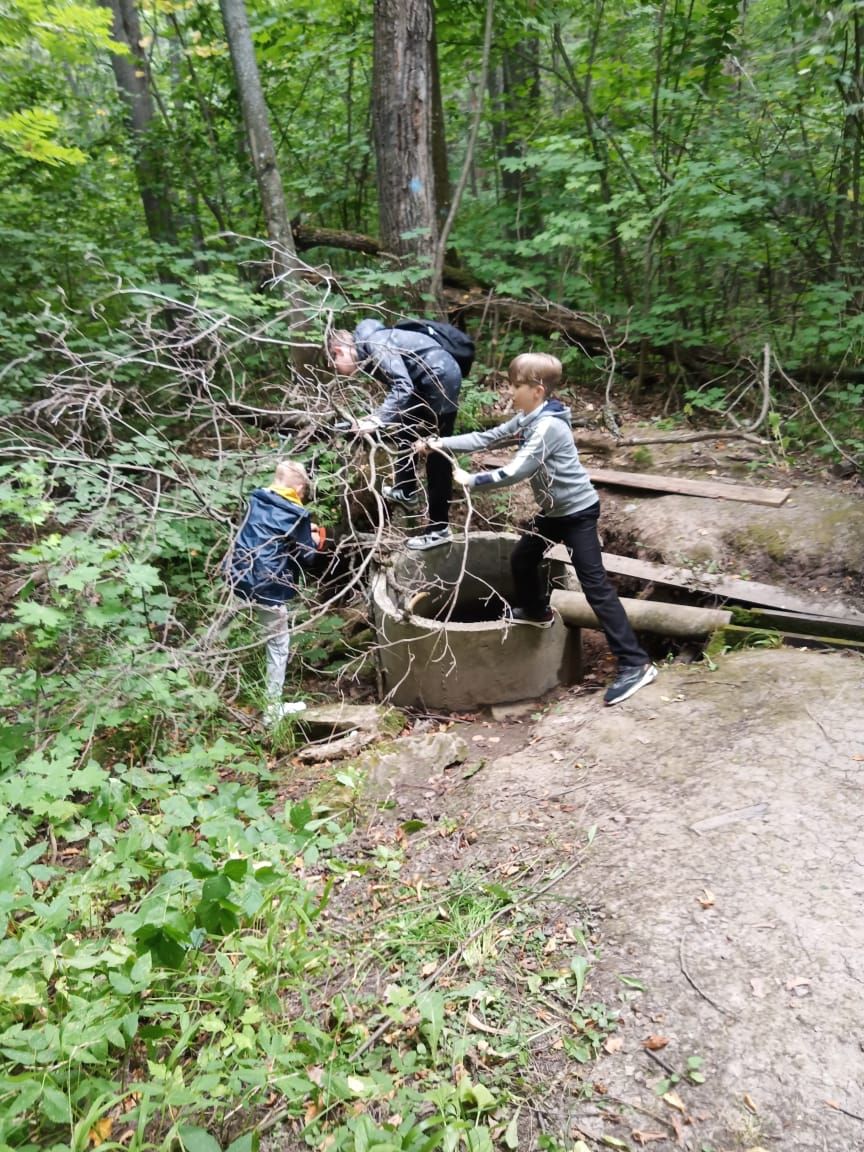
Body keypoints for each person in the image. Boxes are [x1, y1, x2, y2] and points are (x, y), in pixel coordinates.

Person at [416, 352, 658, 706]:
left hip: (577, 514)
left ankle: (636, 663)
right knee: (522, 559)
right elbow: (487, 437)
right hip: (554, 512)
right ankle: (535, 611)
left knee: (595, 586)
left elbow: (516, 471)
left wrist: (471, 480)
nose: (510, 392)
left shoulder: (548, 427)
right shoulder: (530, 417)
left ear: (537, 390)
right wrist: (440, 443)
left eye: (515, 386)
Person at [328, 319, 465, 550]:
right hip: (431, 379)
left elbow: (402, 385)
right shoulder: (370, 346)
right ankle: (405, 489)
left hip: (439, 380)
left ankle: (439, 528)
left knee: (436, 454)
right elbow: (403, 391)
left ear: (338, 350)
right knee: (405, 425)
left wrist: (377, 419)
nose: (336, 370)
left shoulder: (373, 343)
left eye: (334, 362)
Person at [224, 460, 326, 725]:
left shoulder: (257, 498)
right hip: (268, 585)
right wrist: (313, 538)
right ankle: (272, 709)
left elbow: (270, 533)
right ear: (301, 486)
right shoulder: (297, 514)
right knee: (279, 644)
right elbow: (308, 556)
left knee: (244, 628)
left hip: (239, 575)